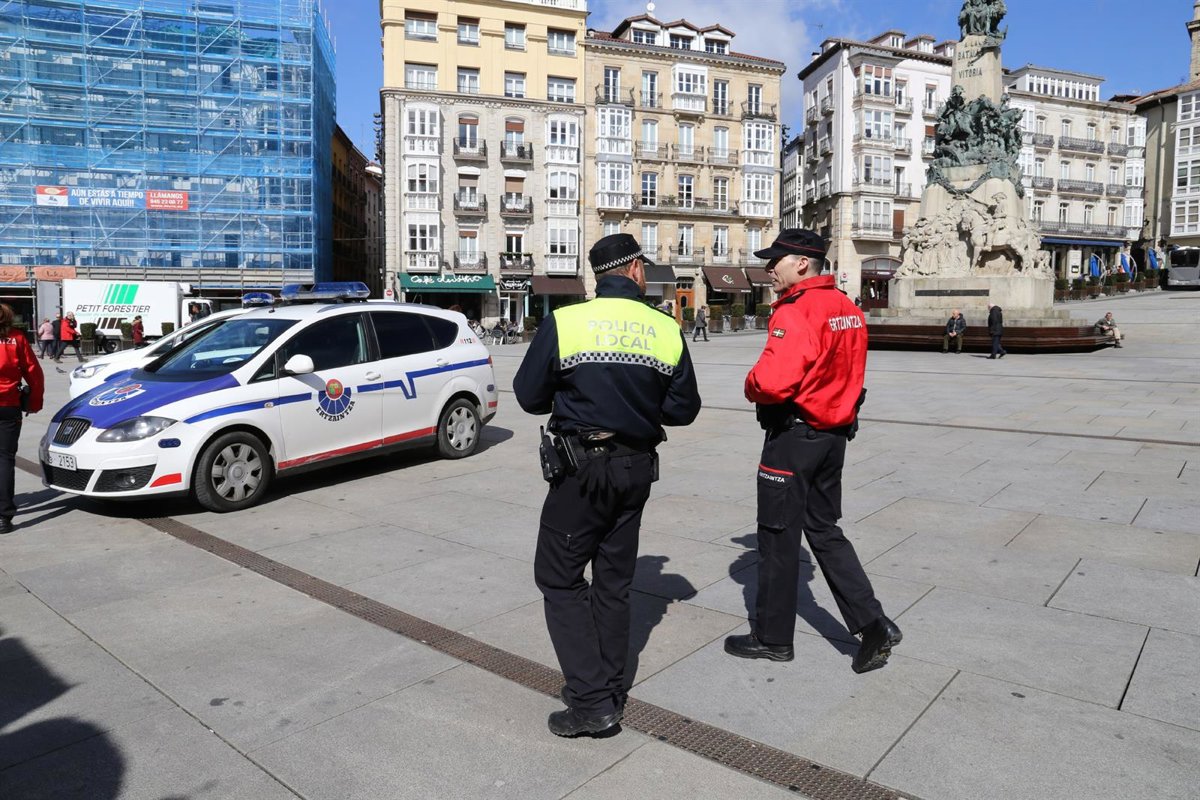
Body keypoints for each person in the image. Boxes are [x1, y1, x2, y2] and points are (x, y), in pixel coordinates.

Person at [514, 233, 702, 737]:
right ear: (636, 269)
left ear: (600, 275)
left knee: (559, 577)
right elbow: (683, 409)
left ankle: (592, 701)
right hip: (635, 468)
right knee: (614, 583)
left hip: (583, 470)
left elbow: (529, 397)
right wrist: (637, 407)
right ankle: (610, 687)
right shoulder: (665, 327)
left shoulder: (567, 322)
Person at [723, 228, 901, 674]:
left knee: (777, 535)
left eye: (776, 260)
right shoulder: (847, 307)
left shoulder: (797, 310)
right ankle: (873, 621)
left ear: (802, 263)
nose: (769, 269)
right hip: (833, 434)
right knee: (824, 528)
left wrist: (750, 382)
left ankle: (772, 638)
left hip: (794, 437)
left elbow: (772, 382)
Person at [0, 303, 44, 534]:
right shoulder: (16, 338)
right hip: (8, 405)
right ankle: (3, 517)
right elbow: (33, 373)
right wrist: (34, 403)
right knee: (5, 459)